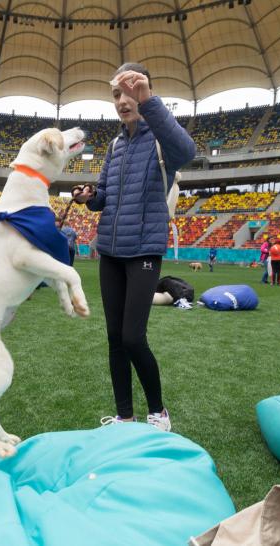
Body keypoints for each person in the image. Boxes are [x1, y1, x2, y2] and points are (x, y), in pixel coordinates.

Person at [73, 62, 196, 431]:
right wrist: (90, 197)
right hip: (110, 252)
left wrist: (150, 101)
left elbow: (186, 150)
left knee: (132, 337)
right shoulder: (114, 145)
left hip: (143, 250)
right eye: (117, 94)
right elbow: (105, 196)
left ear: (144, 93)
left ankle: (158, 412)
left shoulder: (160, 140)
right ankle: (125, 416)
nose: (123, 101)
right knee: (115, 338)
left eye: (130, 93)